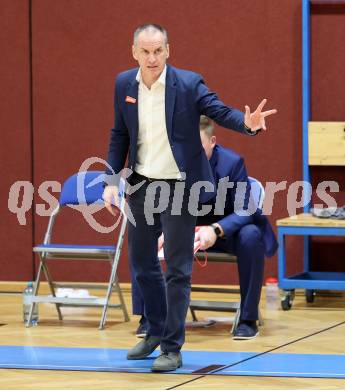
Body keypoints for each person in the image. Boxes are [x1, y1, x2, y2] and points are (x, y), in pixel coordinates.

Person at [103, 24, 277, 372]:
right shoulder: (124, 84)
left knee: (178, 269)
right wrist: (111, 180)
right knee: (142, 264)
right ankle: (153, 330)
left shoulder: (188, 83)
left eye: (158, 51)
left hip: (181, 188)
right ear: (134, 52)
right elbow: (119, 133)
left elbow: (220, 111)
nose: (152, 58)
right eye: (145, 51)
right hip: (141, 186)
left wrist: (247, 123)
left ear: (168, 50)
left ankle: (172, 347)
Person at [132, 115, 278, 341]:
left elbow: (245, 210)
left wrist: (216, 229)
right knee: (144, 232)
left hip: (226, 232)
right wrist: (163, 230)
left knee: (251, 235)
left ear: (212, 142)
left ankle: (248, 320)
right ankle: (149, 317)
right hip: (185, 230)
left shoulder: (233, 163)